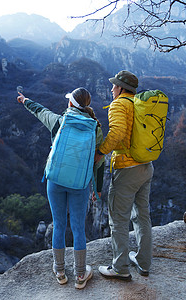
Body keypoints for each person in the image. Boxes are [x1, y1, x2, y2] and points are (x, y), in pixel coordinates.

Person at [17, 87, 104, 289]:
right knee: (77, 227)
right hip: (80, 185)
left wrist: (25, 100)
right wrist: (97, 189)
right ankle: (81, 275)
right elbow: (98, 162)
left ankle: (60, 272)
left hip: (55, 181)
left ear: (71, 103)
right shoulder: (95, 128)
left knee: (58, 223)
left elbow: (40, 111)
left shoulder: (59, 121)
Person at [94, 70, 154, 281]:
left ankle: (120, 268)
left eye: (114, 86)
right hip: (146, 166)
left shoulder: (119, 104)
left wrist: (100, 152)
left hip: (127, 168)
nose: (111, 89)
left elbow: (118, 132)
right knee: (142, 215)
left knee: (118, 219)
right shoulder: (140, 103)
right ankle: (144, 263)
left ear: (120, 88)